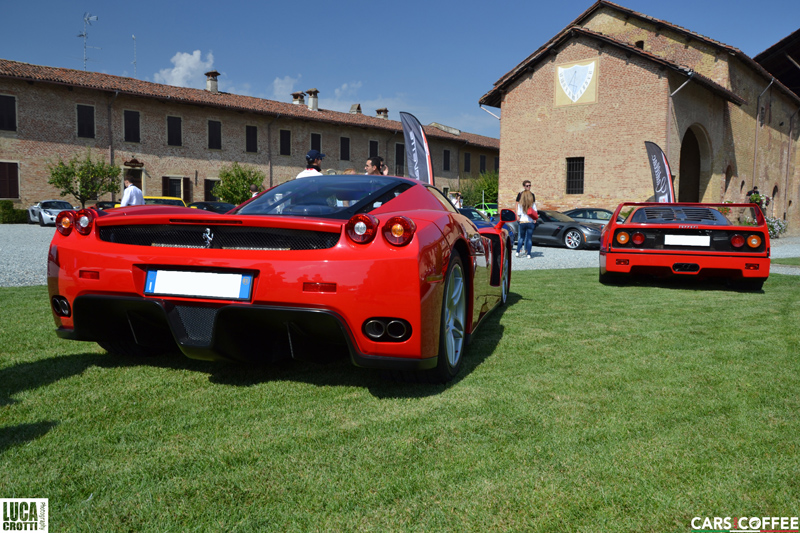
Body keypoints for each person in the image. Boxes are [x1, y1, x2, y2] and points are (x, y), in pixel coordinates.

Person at [516, 189, 537, 258]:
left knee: (521, 238)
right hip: (530, 222)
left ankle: (517, 252)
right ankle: (528, 254)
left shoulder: (520, 204)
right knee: (529, 239)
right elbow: (535, 212)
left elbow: (519, 213)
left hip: (522, 222)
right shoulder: (532, 204)